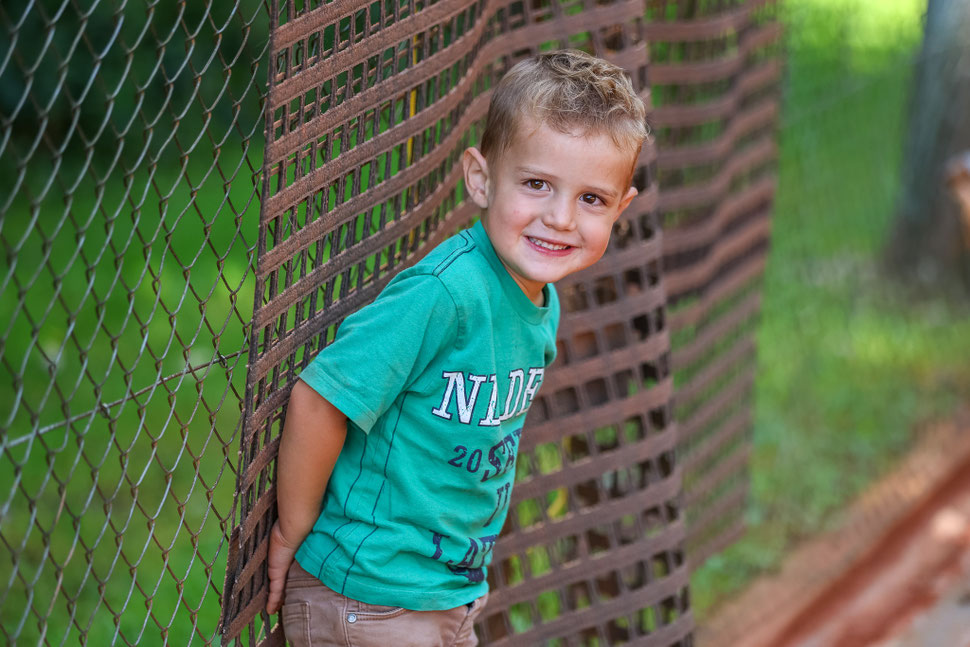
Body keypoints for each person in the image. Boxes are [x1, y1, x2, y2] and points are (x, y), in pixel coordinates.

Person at [265, 49, 648, 647]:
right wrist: (294, 528)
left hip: (445, 594)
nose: (560, 218)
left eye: (591, 199)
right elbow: (321, 397)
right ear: (481, 177)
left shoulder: (538, 300)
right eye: (537, 184)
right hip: (370, 594)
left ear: (620, 210)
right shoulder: (445, 294)